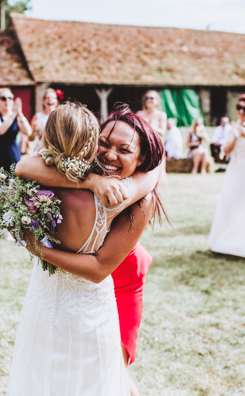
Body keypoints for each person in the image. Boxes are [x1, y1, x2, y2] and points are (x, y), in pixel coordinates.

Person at [11, 103, 165, 396]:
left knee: (112, 374)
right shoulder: (83, 173)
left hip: (121, 277)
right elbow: (24, 165)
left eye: (124, 150)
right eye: (103, 144)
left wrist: (39, 250)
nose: (109, 155)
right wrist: (94, 181)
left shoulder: (140, 194)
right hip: (77, 275)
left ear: (141, 157)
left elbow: (153, 173)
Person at [208, 93, 245, 257]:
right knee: (230, 203)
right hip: (234, 169)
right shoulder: (232, 127)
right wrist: (235, 135)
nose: (241, 111)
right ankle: (225, 241)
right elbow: (225, 151)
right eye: (239, 107)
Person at [0, 88, 32, 189]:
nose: (7, 101)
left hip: (13, 153)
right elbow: (0, 130)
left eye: (10, 98)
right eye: (3, 98)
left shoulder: (17, 116)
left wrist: (20, 114)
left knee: (15, 186)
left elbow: (28, 132)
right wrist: (13, 114)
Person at [137, 90, 168, 185]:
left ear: (157, 101)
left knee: (156, 172)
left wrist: (150, 126)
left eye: (152, 98)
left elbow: (163, 132)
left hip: (156, 146)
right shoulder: (139, 114)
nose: (149, 100)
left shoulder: (161, 115)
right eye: (147, 98)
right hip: (142, 145)